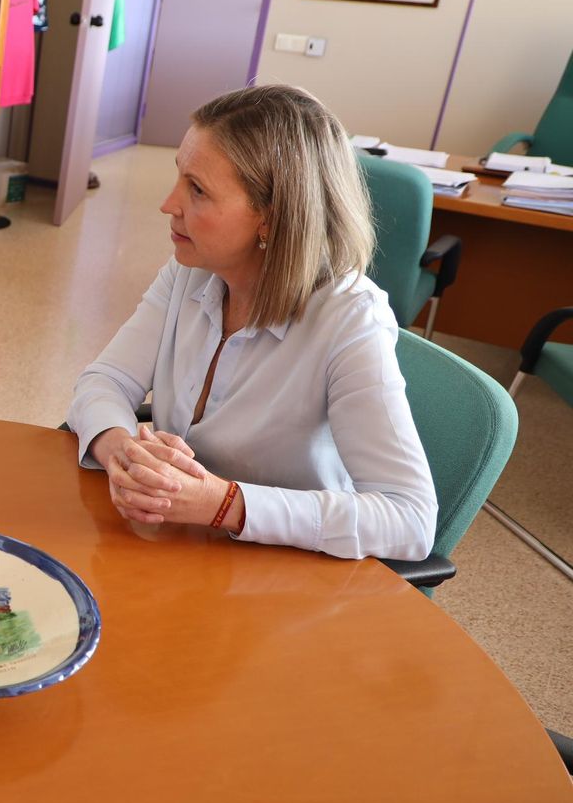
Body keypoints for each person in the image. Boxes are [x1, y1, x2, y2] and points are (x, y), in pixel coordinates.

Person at [66, 85, 437, 562]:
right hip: (185, 551)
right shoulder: (190, 270)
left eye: (197, 189)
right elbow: (106, 380)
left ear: (272, 218)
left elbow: (409, 518)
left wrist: (225, 505)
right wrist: (121, 453)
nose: (168, 204)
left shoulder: (350, 320)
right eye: (179, 177)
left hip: (288, 575)